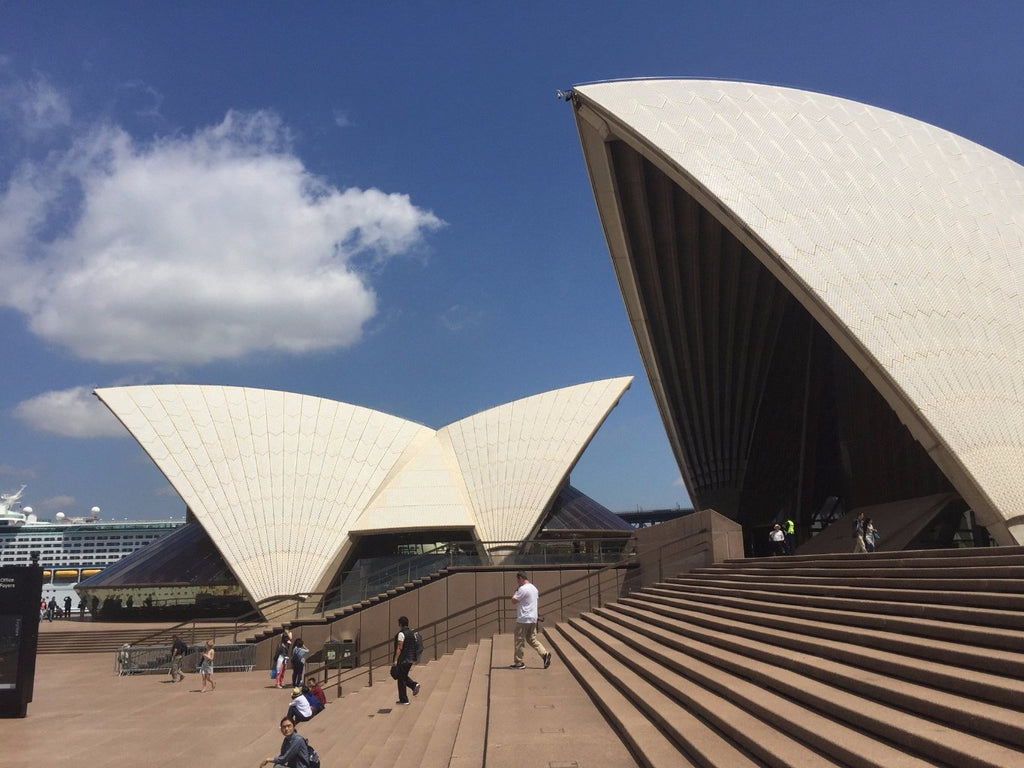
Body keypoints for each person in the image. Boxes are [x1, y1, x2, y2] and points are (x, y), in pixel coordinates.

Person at [510, 571, 551, 670]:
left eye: (517, 580)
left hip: (523, 619)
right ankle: (545, 654)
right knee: (531, 639)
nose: (517, 582)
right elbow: (535, 602)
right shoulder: (534, 588)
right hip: (533, 618)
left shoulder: (522, 589)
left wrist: (516, 591)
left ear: (520, 578)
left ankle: (519, 663)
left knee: (519, 641)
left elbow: (513, 601)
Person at [392, 616, 421, 704]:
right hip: (411, 659)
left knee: (401, 678)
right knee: (402, 677)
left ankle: (405, 699)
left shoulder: (401, 634)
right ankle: (412, 687)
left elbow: (399, 648)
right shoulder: (411, 633)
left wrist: (395, 660)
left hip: (404, 659)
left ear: (400, 624)